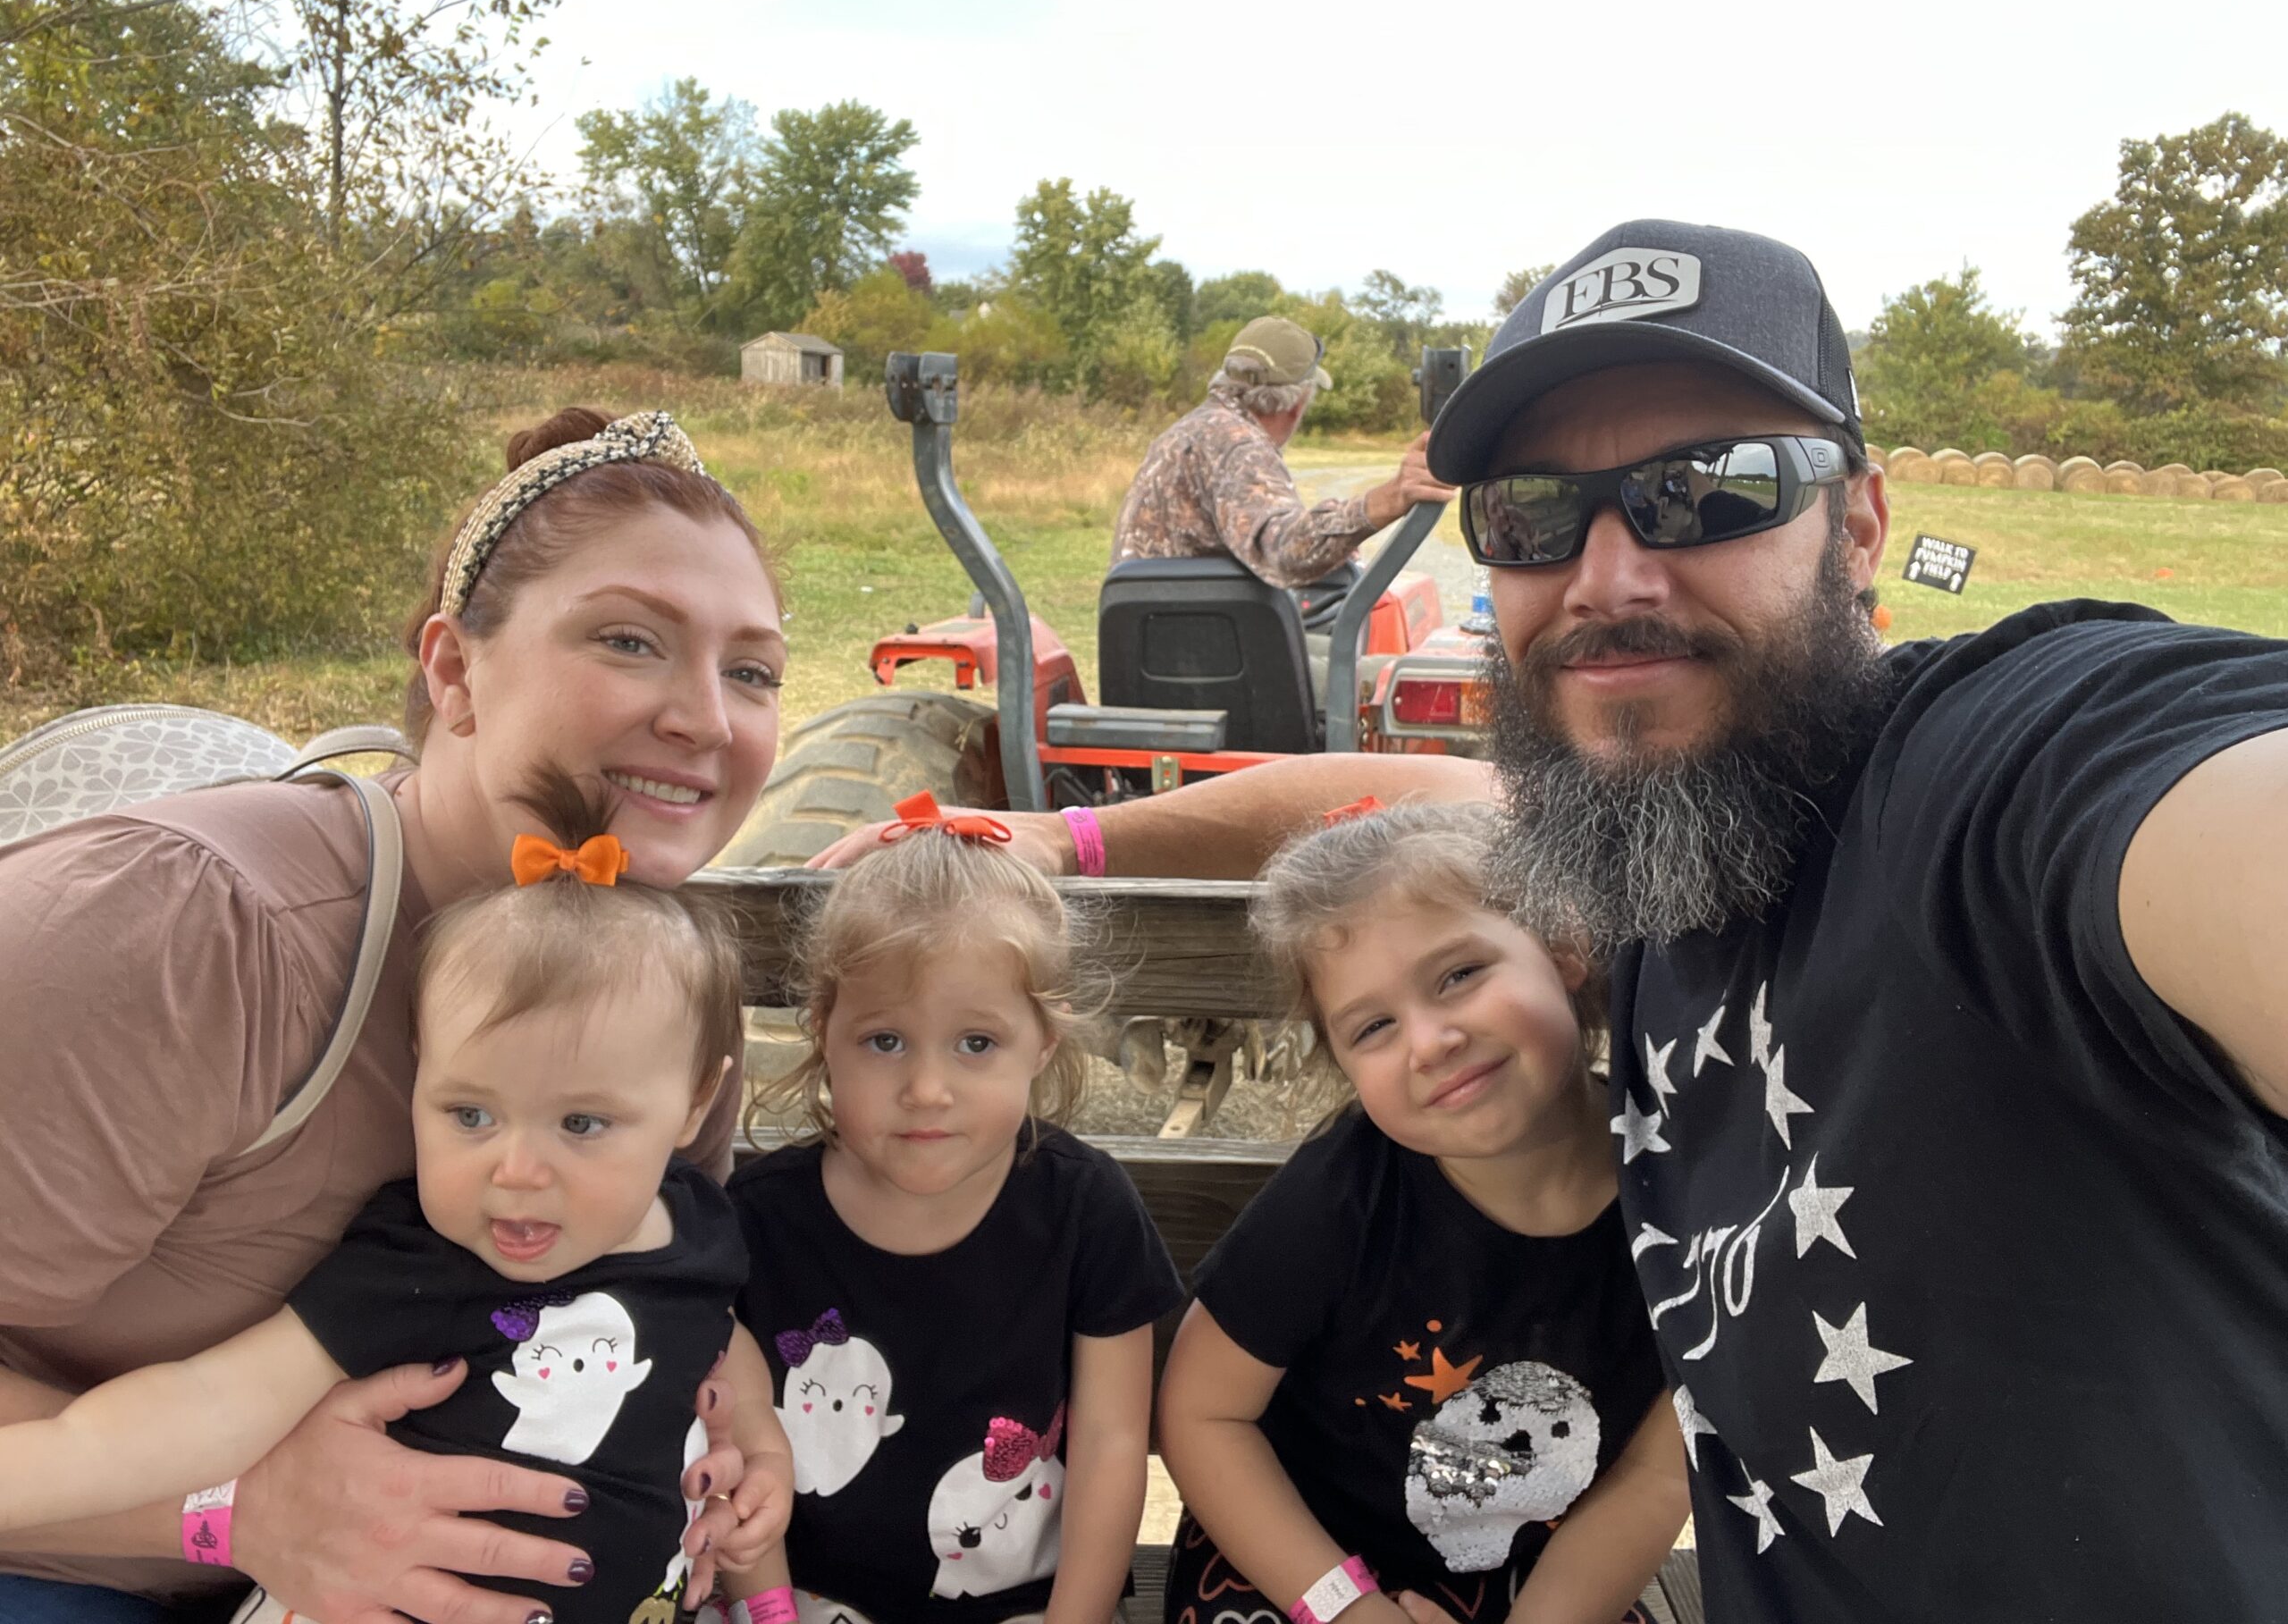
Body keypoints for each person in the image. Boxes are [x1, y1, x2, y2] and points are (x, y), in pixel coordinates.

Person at [817, 220, 2288, 1620]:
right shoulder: (1652, 857)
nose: (1609, 578)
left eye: (1708, 486)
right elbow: (1417, 779)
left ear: (1863, 524)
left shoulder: (1991, 775)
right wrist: (1068, 832)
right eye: (1528, 514)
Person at [0, 407, 788, 1624]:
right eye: (632, 641)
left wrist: (738, 1440)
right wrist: (237, 1510)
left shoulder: (655, 999)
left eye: (752, 672)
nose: (710, 718)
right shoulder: (181, 929)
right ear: (453, 670)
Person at [0, 775, 796, 1624]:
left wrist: (756, 1434)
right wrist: (35, 1471)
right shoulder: (416, 1267)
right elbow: (204, 1406)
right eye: (470, 1114)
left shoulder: (697, 1223)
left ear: (695, 1107)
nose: (517, 1169)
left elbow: (713, 1332)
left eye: (583, 1123)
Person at [1157, 803, 1686, 1624]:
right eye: (1373, 1027)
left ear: (1563, 949)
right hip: (1305, 1567)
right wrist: (1349, 1609)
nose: (1430, 1041)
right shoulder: (1341, 1201)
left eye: (1460, 975)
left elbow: (1656, 1473)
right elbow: (1201, 1412)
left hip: (1544, 1580)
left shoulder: (1687, 1191)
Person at [727, 795, 1184, 1624]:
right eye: (885, 1040)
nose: (927, 1090)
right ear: (824, 1033)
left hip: (1033, 1605)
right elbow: (729, 1441)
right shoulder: (758, 1224)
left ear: (1041, 1044)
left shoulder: (1084, 1209)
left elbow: (1116, 1442)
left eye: (976, 1044)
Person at [1109, 316, 1456, 592]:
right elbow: (1285, 552)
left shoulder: (1190, 432)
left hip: (1163, 651)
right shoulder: (1237, 446)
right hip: (1208, 659)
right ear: (1298, 402)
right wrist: (1389, 498)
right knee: (1361, 667)